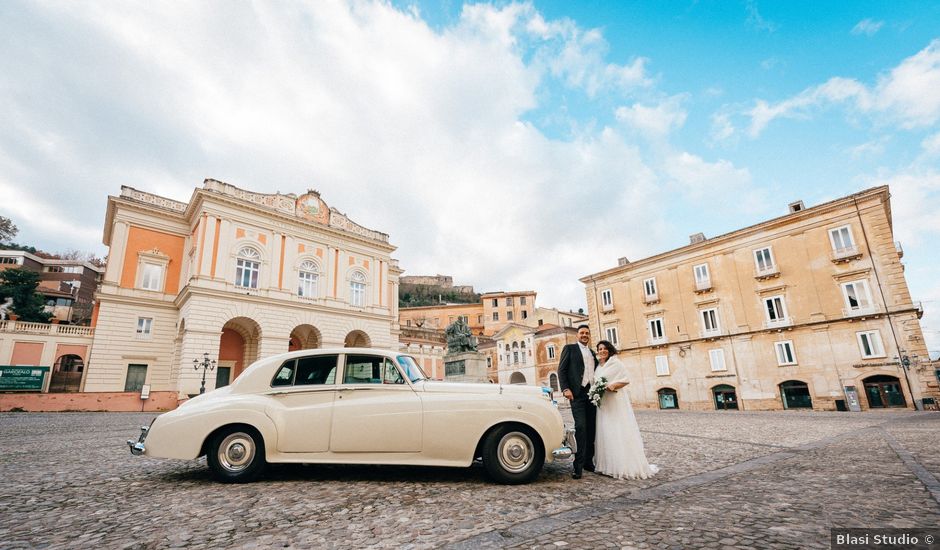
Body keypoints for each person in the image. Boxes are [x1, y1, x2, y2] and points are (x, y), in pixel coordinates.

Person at [593, 339, 659, 480]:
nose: (602, 351)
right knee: (606, 432)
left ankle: (622, 465)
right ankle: (608, 465)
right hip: (604, 405)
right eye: (599, 349)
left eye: (604, 348)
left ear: (609, 350)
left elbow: (626, 379)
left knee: (618, 431)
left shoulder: (616, 363)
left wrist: (612, 386)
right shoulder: (599, 366)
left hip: (615, 402)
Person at [557, 324, 597, 479]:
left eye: (587, 333)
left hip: (592, 395)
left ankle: (588, 462)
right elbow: (562, 370)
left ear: (589, 335)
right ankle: (578, 466)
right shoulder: (570, 349)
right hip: (577, 394)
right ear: (577, 335)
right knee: (580, 427)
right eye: (582, 333)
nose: (584, 335)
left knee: (591, 429)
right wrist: (565, 389)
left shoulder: (593, 353)